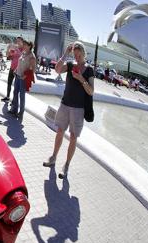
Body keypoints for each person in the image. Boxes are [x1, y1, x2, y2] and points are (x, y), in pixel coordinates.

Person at [43, 42, 94, 178]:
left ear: (83, 53)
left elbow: (91, 91)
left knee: (73, 136)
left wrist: (81, 79)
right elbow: (57, 69)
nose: (77, 58)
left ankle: (66, 165)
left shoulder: (89, 70)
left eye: (79, 55)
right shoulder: (71, 65)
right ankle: (53, 157)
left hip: (78, 109)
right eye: (75, 55)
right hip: (65, 105)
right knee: (60, 131)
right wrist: (65, 54)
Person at [9, 40, 36, 119]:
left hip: (23, 79)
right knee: (15, 93)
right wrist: (16, 70)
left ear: (29, 46)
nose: (23, 46)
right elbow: (20, 63)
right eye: (23, 44)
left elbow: (33, 69)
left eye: (25, 45)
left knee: (22, 96)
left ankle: (21, 113)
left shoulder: (31, 56)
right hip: (17, 76)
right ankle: (14, 109)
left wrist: (26, 76)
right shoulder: (24, 53)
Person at [1, 37, 23, 101]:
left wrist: (16, 49)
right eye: (17, 41)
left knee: (16, 86)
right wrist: (8, 48)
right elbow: (8, 56)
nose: (18, 42)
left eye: (19, 41)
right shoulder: (15, 49)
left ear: (22, 42)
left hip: (18, 70)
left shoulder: (23, 50)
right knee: (9, 83)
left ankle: (14, 100)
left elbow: (22, 56)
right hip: (12, 68)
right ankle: (7, 97)